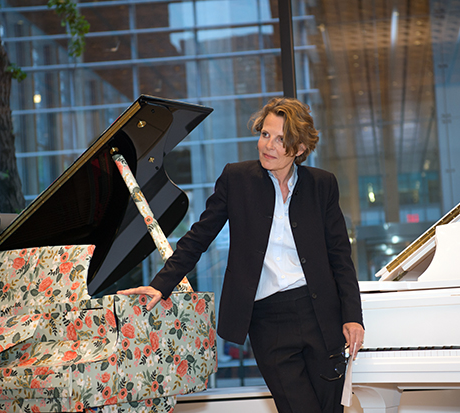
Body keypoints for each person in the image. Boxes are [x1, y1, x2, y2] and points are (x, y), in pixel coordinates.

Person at [118, 97, 364, 413]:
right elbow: (198, 237)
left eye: (280, 140)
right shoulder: (237, 179)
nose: (268, 145)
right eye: (265, 134)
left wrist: (352, 317)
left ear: (300, 148)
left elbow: (340, 257)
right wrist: (160, 284)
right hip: (268, 321)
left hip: (321, 315)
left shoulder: (322, 185)